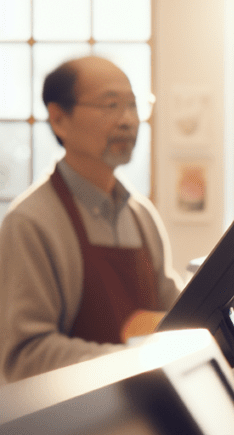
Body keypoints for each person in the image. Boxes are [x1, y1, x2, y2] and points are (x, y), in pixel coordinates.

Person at [0, 56, 182, 383]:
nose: (127, 120)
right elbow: (26, 357)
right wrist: (134, 363)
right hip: (73, 415)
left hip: (145, 406)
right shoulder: (30, 223)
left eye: (133, 105)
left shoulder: (142, 216)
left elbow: (174, 319)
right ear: (59, 119)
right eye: (110, 105)